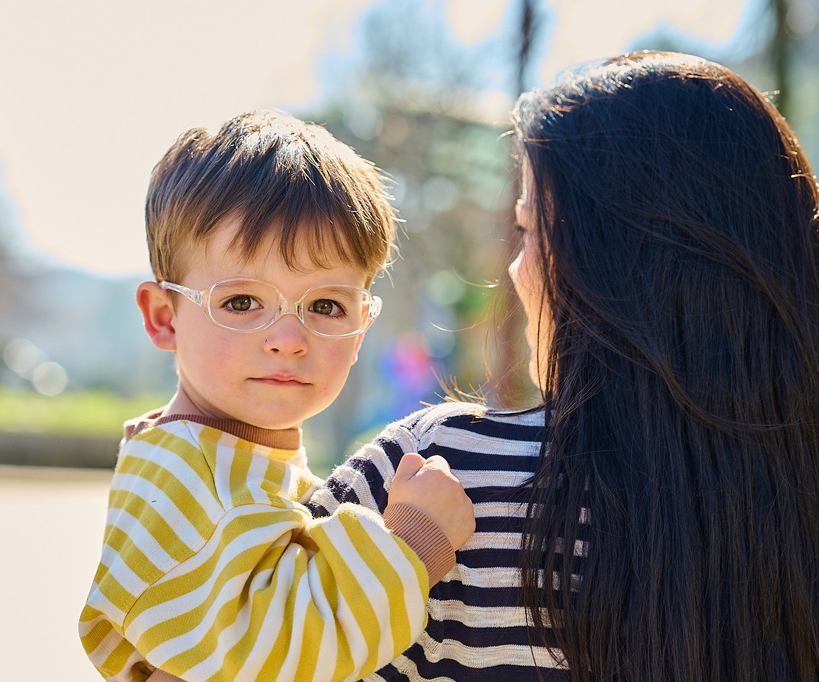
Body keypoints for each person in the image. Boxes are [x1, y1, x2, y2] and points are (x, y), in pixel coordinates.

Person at [311, 51, 819, 682]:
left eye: (529, 231)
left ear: (596, 260)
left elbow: (202, 647)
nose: (514, 269)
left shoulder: (437, 478)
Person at [78, 110, 475, 682]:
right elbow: (278, 651)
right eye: (241, 302)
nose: (289, 339)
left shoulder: (230, 461)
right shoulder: (186, 476)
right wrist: (416, 542)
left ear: (359, 329)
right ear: (165, 317)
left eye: (325, 306)